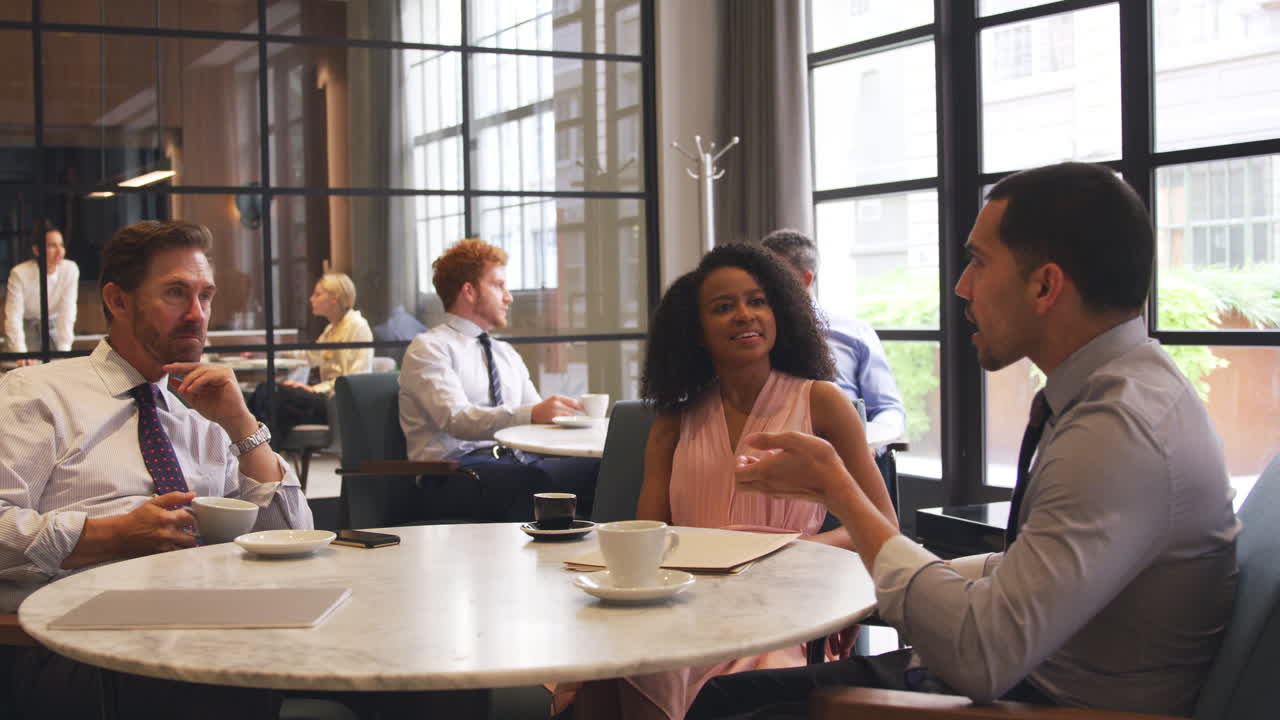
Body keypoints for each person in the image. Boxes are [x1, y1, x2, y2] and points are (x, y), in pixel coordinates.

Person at [689, 162, 1240, 719]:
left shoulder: (1117, 434)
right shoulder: (1118, 393)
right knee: (720, 696)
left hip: (1040, 702)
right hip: (1019, 675)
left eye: (978, 261)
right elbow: (1020, 575)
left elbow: (981, 656)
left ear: (1044, 285)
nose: (962, 286)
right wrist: (882, 575)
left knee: (729, 712)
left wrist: (842, 494)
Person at [556, 244, 898, 720]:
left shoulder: (822, 402)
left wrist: (792, 550)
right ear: (696, 331)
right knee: (614, 661)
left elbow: (884, 527)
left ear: (779, 314)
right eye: (722, 307)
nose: (744, 315)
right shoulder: (674, 417)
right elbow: (648, 534)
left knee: (712, 675)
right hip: (686, 597)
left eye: (757, 301)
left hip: (783, 603)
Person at [0, 220, 314, 718]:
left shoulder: (204, 419)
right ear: (118, 301)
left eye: (205, 296)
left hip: (210, 625)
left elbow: (292, 534)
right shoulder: (38, 395)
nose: (197, 314)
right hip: (80, 641)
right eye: (175, 293)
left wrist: (242, 425)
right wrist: (113, 535)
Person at [399, 238, 599, 522]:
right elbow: (457, 420)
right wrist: (533, 413)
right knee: (534, 483)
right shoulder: (430, 349)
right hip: (454, 474)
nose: (509, 297)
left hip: (517, 463)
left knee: (602, 469)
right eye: (498, 285)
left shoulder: (506, 353)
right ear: (469, 291)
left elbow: (536, 417)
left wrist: (571, 420)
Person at [760, 229, 905, 450]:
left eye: (772, 279)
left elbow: (888, 410)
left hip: (848, 455)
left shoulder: (854, 333)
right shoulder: (752, 335)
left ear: (805, 279)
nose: (762, 289)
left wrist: (863, 442)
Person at [249, 272, 373, 441]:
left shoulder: (358, 327)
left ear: (335, 298)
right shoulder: (331, 329)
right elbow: (308, 355)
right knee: (265, 392)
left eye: (317, 294)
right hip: (323, 396)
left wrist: (314, 389)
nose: (311, 299)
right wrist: (270, 352)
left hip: (335, 403)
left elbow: (354, 378)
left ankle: (260, 446)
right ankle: (260, 446)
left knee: (272, 394)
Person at [4, 224, 79, 365]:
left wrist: (64, 351)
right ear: (36, 250)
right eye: (52, 246)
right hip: (26, 329)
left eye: (61, 245)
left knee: (58, 367)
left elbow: (67, 312)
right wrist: (20, 353)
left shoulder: (70, 269)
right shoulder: (19, 273)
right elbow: (13, 316)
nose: (60, 251)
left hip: (55, 328)